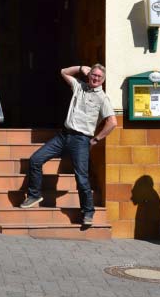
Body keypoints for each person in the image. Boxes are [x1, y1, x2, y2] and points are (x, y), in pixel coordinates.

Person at [20, 64, 117, 226]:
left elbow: (112, 122)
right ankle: (34, 194)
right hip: (64, 135)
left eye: (99, 77)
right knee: (35, 159)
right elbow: (63, 72)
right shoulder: (79, 86)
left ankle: (88, 212)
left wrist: (96, 139)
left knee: (82, 178)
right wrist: (80, 68)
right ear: (89, 74)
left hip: (81, 140)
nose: (95, 78)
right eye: (93, 75)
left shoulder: (103, 98)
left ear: (103, 80)